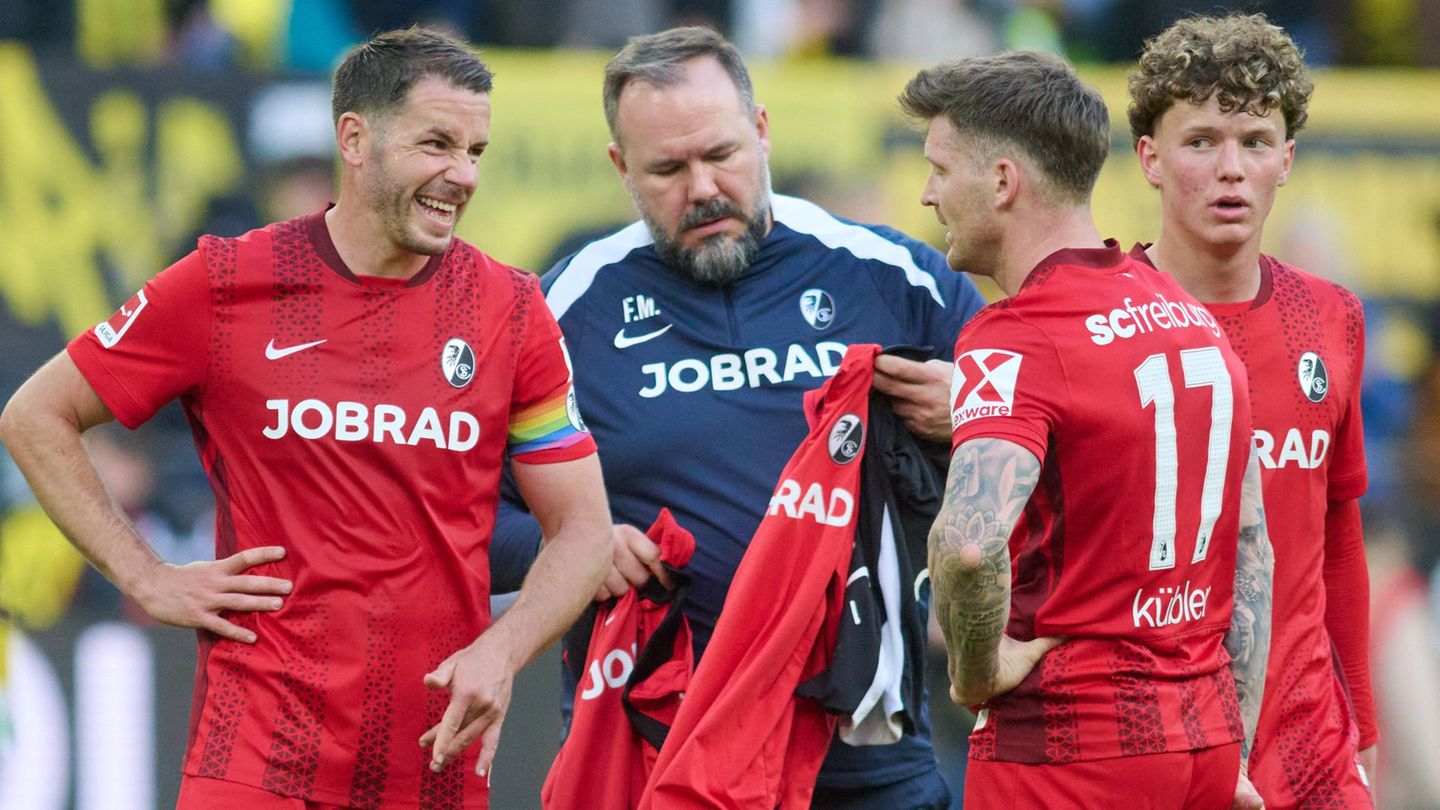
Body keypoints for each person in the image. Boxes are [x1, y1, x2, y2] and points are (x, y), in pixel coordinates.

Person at [0, 27, 611, 810]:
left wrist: (502, 651)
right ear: (354, 139)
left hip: (431, 766)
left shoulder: (512, 310)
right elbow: (35, 416)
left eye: (476, 151)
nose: (462, 175)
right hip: (255, 760)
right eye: (437, 144)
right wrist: (145, 574)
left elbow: (585, 530)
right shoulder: (225, 283)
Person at [492, 26, 986, 808]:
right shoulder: (561, 312)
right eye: (667, 168)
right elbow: (462, 512)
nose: (701, 189)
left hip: (866, 758)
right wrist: (570, 545)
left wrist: (979, 409)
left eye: (720, 155)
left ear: (761, 132)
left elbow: (1058, 431)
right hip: (659, 751)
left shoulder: (893, 277)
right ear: (621, 168)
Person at [903, 51, 1275, 808]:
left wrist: (978, 672)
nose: (927, 194)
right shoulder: (1191, 320)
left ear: (1003, 182)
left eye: (941, 169)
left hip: (1068, 753)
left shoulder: (1016, 336)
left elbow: (968, 547)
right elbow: (1251, 552)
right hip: (1202, 744)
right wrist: (1233, 751)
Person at [1127, 13, 1377, 808]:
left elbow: (1336, 527)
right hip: (1155, 744)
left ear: (1287, 161)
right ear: (1151, 159)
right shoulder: (1101, 323)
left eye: (1256, 141)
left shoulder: (1331, 318)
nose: (1230, 169)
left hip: (1308, 747)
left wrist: (1362, 729)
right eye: (1200, 141)